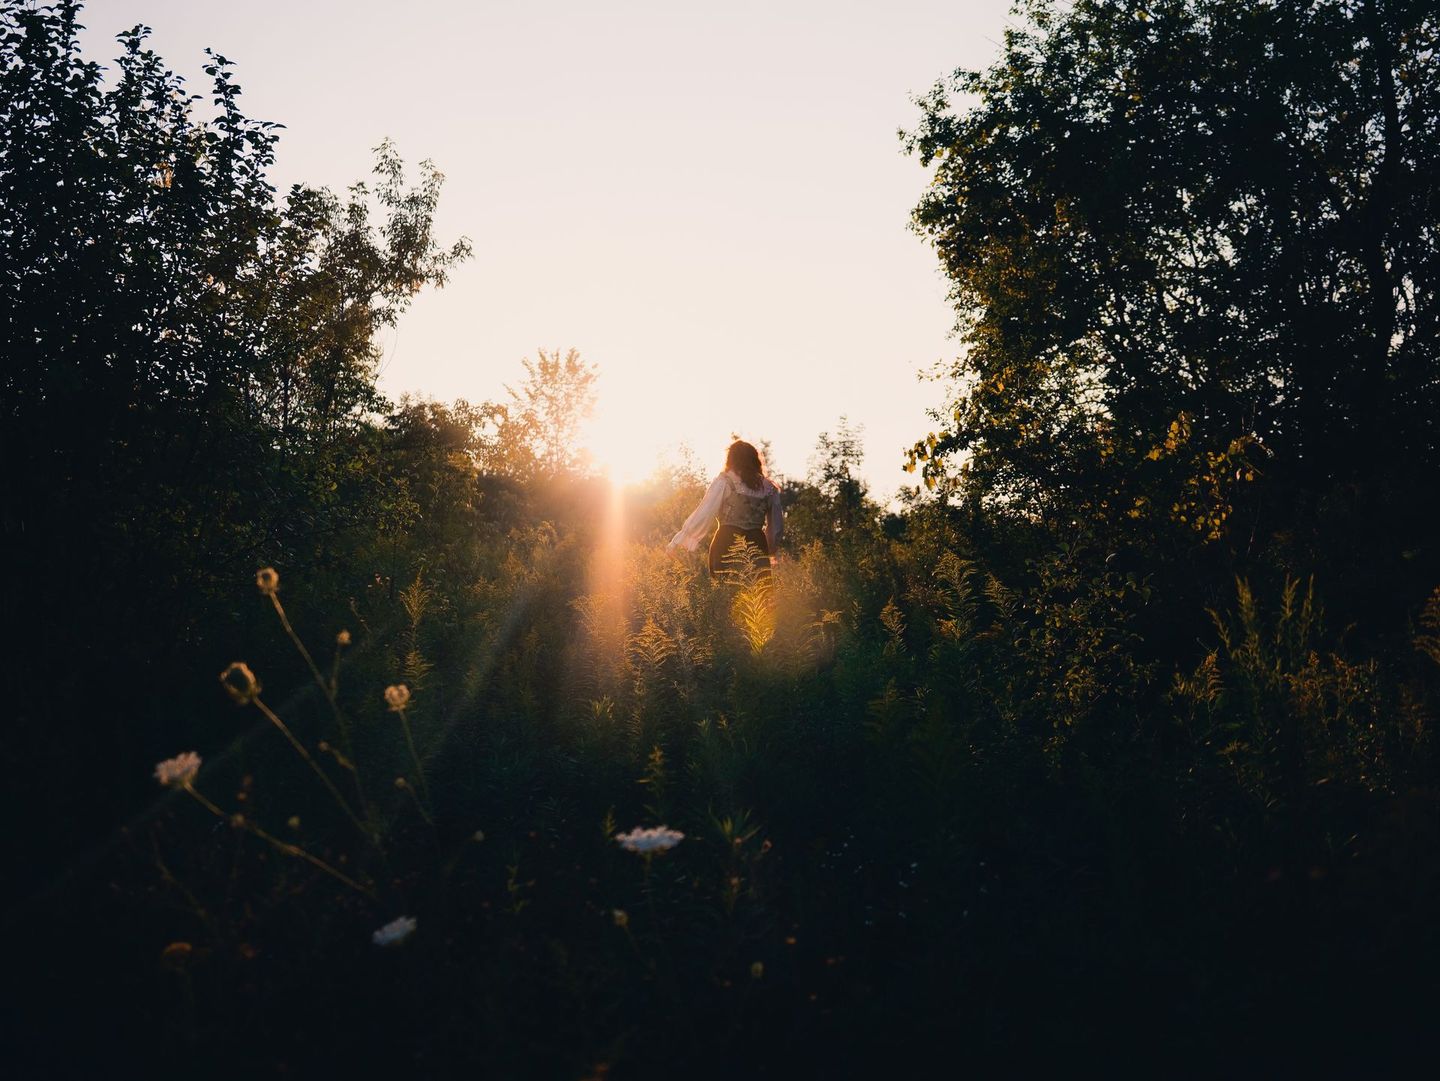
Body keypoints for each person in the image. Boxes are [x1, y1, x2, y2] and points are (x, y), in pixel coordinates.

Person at [667, 440, 783, 576]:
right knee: (757, 592)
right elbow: (776, 528)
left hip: (726, 543)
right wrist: (769, 550)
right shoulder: (769, 488)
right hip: (757, 546)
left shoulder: (725, 481)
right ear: (755, 460)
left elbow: (704, 513)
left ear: (731, 459)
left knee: (724, 590)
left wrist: (679, 541)